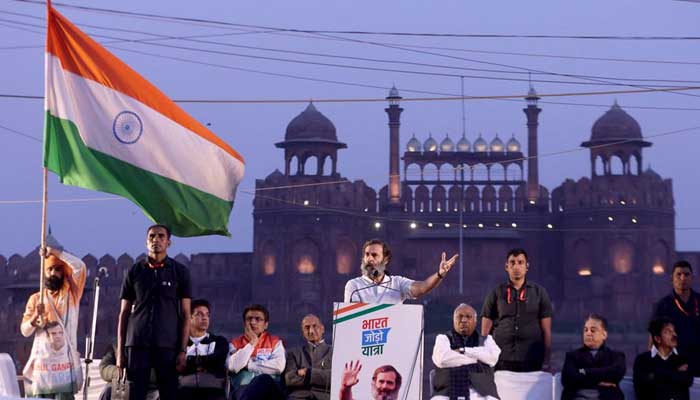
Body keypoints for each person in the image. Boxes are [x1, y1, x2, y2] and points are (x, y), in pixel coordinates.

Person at [117, 224, 192, 400]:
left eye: (160, 236)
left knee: (169, 394)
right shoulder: (134, 271)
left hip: (167, 345)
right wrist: (120, 353)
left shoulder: (179, 272)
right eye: (151, 236)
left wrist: (182, 350)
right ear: (146, 242)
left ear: (168, 242)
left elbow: (186, 314)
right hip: (137, 344)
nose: (155, 240)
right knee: (135, 394)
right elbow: (124, 313)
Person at [21, 246, 86, 399]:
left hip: (63, 371)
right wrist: (35, 318)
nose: (53, 274)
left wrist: (55, 253)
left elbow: (80, 266)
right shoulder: (36, 299)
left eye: (57, 270)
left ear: (63, 273)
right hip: (41, 371)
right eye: (49, 269)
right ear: (44, 272)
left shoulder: (72, 295)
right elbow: (24, 331)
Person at [481, 248, 553, 372]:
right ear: (506, 266)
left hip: (532, 358)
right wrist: (484, 359)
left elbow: (546, 331)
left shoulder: (539, 292)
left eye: (520, 262)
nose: (516, 266)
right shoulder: (496, 292)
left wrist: (546, 361)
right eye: (512, 262)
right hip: (501, 358)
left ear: (527, 266)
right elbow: (485, 332)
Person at [343, 239, 458, 304]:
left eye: (374, 255)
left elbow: (422, 288)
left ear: (385, 259)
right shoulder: (354, 285)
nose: (369, 259)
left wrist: (439, 274)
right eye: (367, 255)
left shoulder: (397, 283)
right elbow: (354, 319)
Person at [431, 304, 500, 400]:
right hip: (446, 393)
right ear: (454, 320)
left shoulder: (487, 339)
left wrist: (463, 351)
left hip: (482, 394)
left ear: (475, 321)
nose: (463, 320)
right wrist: (478, 358)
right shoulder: (443, 338)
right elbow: (442, 359)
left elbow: (493, 358)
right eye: (460, 316)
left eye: (468, 317)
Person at [652, 260, 700, 376]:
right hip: (675, 365)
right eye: (678, 274)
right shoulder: (663, 305)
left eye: (686, 274)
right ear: (671, 278)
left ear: (692, 277)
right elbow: (654, 337)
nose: (683, 278)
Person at [561, 314, 626, 400]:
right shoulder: (572, 356)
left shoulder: (616, 356)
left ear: (604, 335)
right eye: (585, 330)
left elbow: (616, 373)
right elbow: (568, 379)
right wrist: (601, 379)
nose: (588, 333)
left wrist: (584, 371)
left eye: (593, 330)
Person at [228, 304, 285, 400]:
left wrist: (248, 365)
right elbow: (233, 366)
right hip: (243, 388)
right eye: (249, 319)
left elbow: (278, 367)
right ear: (244, 323)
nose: (253, 322)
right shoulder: (235, 343)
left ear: (266, 325)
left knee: (263, 379)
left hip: (270, 389)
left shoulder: (275, 342)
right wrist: (252, 343)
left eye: (258, 319)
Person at [178, 299, 228, 400]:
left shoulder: (219, 341)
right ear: (189, 318)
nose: (205, 318)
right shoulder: (179, 344)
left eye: (207, 314)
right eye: (199, 314)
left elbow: (218, 362)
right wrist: (204, 364)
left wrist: (190, 362)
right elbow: (177, 366)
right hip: (185, 389)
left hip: (213, 389)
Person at [633, 317, 693, 400]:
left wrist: (656, 375)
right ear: (657, 338)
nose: (674, 335)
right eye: (668, 332)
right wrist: (675, 373)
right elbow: (643, 386)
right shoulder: (643, 360)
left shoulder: (682, 359)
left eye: (674, 331)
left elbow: (688, 380)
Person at [285, 314, 333, 400]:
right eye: (307, 328)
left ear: (322, 329)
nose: (311, 331)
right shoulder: (293, 353)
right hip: (299, 397)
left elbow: (335, 377)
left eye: (315, 326)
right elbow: (289, 379)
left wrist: (308, 372)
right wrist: (321, 374)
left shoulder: (334, 352)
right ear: (303, 333)